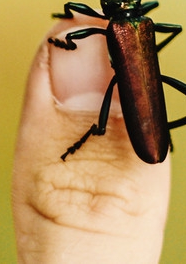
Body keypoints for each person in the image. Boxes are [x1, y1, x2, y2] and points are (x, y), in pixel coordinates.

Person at [12, 16, 170, 263]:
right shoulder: (144, 23)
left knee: (101, 125)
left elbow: (74, 24)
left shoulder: (120, 27)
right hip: (145, 93)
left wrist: (69, 42)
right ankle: (164, 130)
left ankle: (85, 138)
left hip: (133, 86)